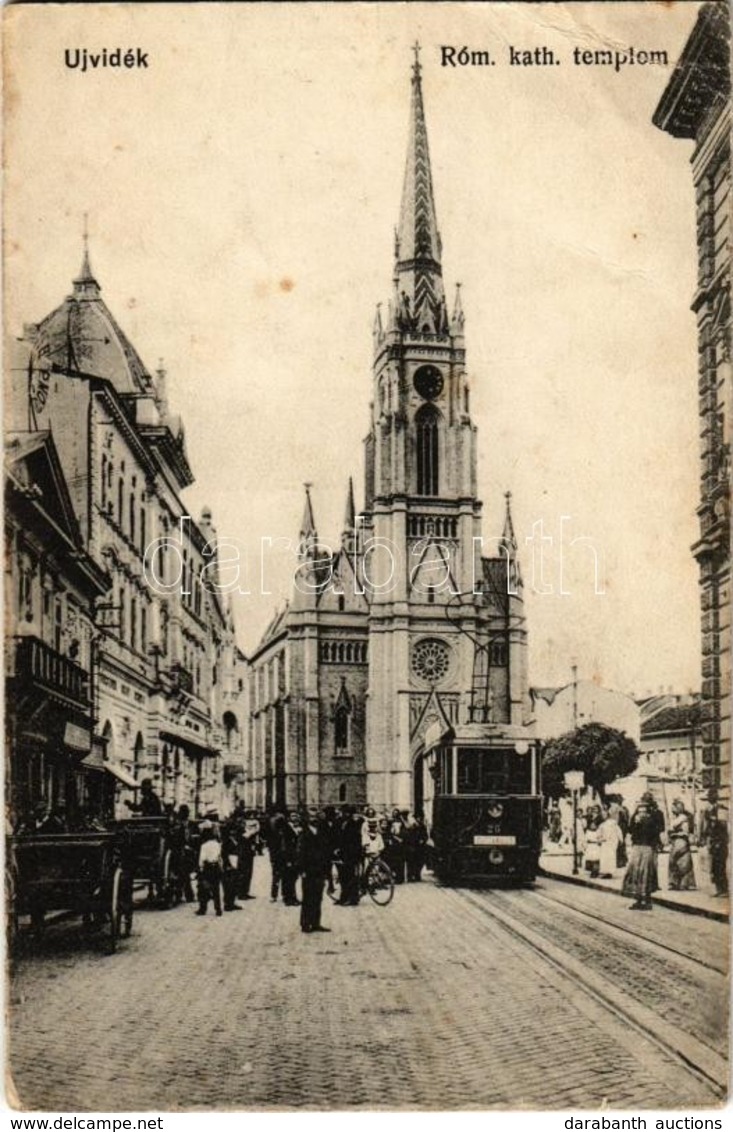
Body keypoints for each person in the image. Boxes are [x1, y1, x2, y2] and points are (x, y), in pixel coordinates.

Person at [622, 793, 665, 911]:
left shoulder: (657, 814)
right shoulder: (636, 814)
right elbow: (630, 829)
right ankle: (638, 898)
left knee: (646, 872)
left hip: (648, 846)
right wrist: (636, 822)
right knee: (636, 872)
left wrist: (647, 821)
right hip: (637, 845)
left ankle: (646, 898)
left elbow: (659, 829)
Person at [296, 808, 331, 933]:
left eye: (316, 816)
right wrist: (302, 870)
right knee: (308, 897)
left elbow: (326, 850)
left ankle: (316, 923)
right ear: (307, 819)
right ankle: (305, 923)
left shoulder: (322, 832)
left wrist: (327, 869)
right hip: (308, 869)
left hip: (320, 869)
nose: (314, 819)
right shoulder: (304, 834)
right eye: (311, 817)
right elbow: (300, 852)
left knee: (318, 896)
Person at [667, 798, 697, 891]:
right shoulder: (676, 818)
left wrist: (674, 833)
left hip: (681, 841)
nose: (672, 810)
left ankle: (684, 883)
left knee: (683, 862)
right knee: (674, 861)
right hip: (676, 842)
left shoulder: (683, 818)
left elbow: (685, 832)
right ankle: (675, 883)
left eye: (674, 808)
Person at [196, 821, 223, 916]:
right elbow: (219, 856)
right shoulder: (217, 844)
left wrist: (201, 868)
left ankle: (202, 909)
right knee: (216, 889)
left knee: (203, 889)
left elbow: (202, 859)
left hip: (207, 868)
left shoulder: (204, 846)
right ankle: (218, 909)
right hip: (215, 867)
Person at [707, 802, 729, 898]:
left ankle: (724, 890)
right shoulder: (711, 810)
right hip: (714, 844)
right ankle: (719, 889)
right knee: (715, 868)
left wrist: (715, 820)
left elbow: (724, 827)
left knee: (720, 868)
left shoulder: (721, 809)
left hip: (720, 845)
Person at [598, 808, 622, 879]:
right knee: (605, 857)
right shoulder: (603, 824)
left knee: (610, 857)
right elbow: (599, 833)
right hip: (606, 842)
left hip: (611, 842)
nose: (603, 816)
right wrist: (600, 838)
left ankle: (609, 872)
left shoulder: (613, 823)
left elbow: (618, 831)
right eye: (602, 815)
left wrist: (620, 839)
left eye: (605, 815)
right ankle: (606, 872)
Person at [583, 813, 601, 879]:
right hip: (590, 847)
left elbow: (600, 839)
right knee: (590, 859)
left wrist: (599, 842)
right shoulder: (588, 832)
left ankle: (595, 871)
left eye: (594, 825)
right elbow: (585, 840)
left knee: (596, 859)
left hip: (595, 847)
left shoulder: (598, 832)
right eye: (592, 825)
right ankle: (591, 871)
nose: (593, 826)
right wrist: (585, 847)